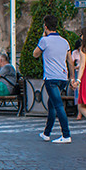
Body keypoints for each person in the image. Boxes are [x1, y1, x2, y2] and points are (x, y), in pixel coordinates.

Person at [34, 15, 74, 144]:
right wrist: (72, 77)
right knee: (52, 104)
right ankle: (46, 133)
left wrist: (43, 38)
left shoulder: (44, 41)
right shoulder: (64, 41)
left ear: (45, 26)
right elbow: (70, 61)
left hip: (51, 78)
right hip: (63, 77)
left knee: (57, 105)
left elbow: (35, 54)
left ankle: (66, 134)